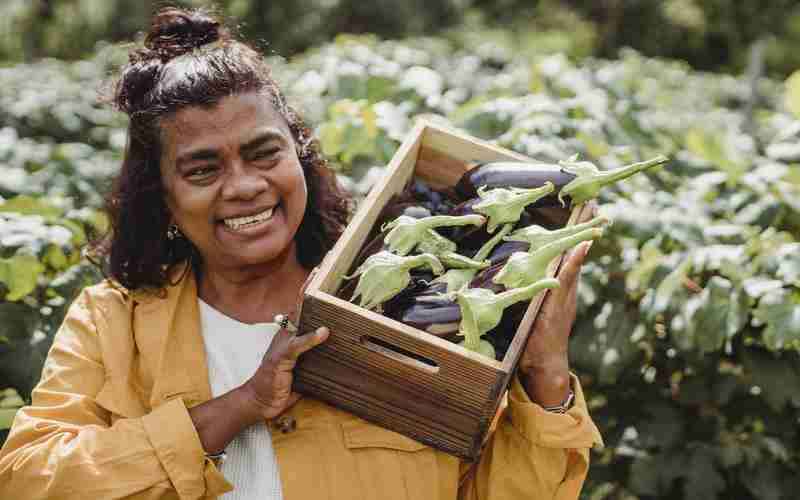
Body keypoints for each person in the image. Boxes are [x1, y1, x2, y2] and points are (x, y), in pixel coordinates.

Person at [0, 7, 602, 500]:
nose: (243, 186)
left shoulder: (405, 304)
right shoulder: (113, 323)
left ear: (300, 157)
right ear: (161, 195)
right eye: (203, 168)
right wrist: (239, 407)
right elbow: (27, 479)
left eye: (264, 154)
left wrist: (545, 372)